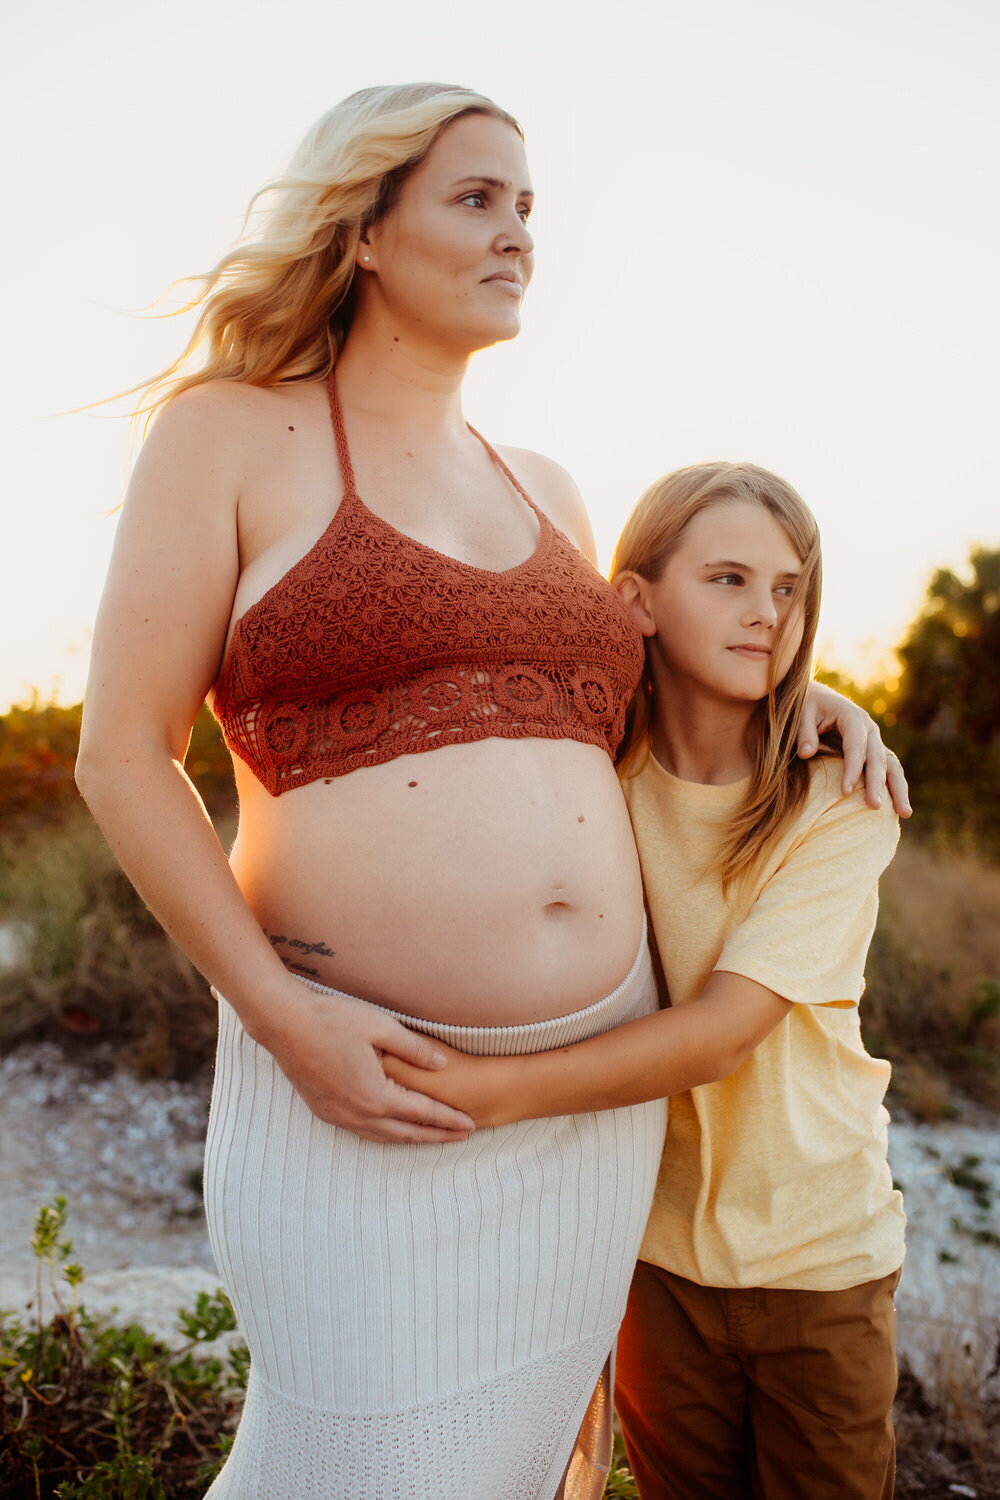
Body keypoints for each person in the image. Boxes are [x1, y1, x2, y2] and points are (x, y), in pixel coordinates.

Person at [75, 82, 907, 1500]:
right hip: (356, 1074)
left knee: (520, 1465)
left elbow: (636, 689)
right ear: (366, 234)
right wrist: (282, 1020)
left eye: (529, 205)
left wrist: (806, 688)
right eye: (476, 198)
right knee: (350, 1459)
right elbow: (120, 755)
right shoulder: (228, 434)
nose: (519, 231)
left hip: (586, 1101)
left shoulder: (548, 487)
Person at [387, 462, 905, 1499]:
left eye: (790, 587)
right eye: (727, 579)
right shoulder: (590, 783)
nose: (767, 611)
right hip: (651, 1258)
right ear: (635, 601)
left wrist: (481, 1096)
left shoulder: (838, 802)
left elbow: (719, 1034)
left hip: (818, 1258)